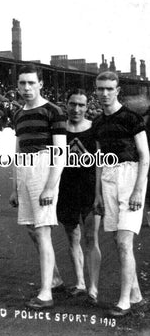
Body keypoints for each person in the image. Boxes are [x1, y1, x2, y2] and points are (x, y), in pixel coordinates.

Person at [9, 65, 66, 310]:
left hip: (45, 169)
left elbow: (60, 152)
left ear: (40, 84)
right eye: (22, 83)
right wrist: (14, 186)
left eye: (31, 83)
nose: (26, 88)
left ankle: (46, 293)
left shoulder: (53, 111)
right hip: (24, 170)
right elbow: (17, 149)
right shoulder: (18, 114)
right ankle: (54, 279)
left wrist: (51, 187)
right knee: (33, 229)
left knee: (43, 232)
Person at [92, 71, 149, 317]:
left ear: (117, 91)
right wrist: (98, 195)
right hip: (108, 178)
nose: (104, 93)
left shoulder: (131, 118)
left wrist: (138, 190)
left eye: (109, 89)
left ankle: (124, 300)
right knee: (118, 241)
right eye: (100, 89)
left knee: (125, 242)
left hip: (130, 176)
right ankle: (135, 293)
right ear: (96, 91)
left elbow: (145, 156)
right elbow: (98, 160)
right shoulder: (97, 123)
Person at [56, 89, 102, 305]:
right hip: (66, 191)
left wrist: (99, 194)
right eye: (72, 104)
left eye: (81, 105)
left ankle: (93, 288)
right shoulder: (58, 130)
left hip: (90, 192)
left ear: (87, 106)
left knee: (91, 238)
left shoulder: (94, 129)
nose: (76, 109)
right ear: (66, 104)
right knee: (72, 238)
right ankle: (80, 283)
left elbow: (102, 163)